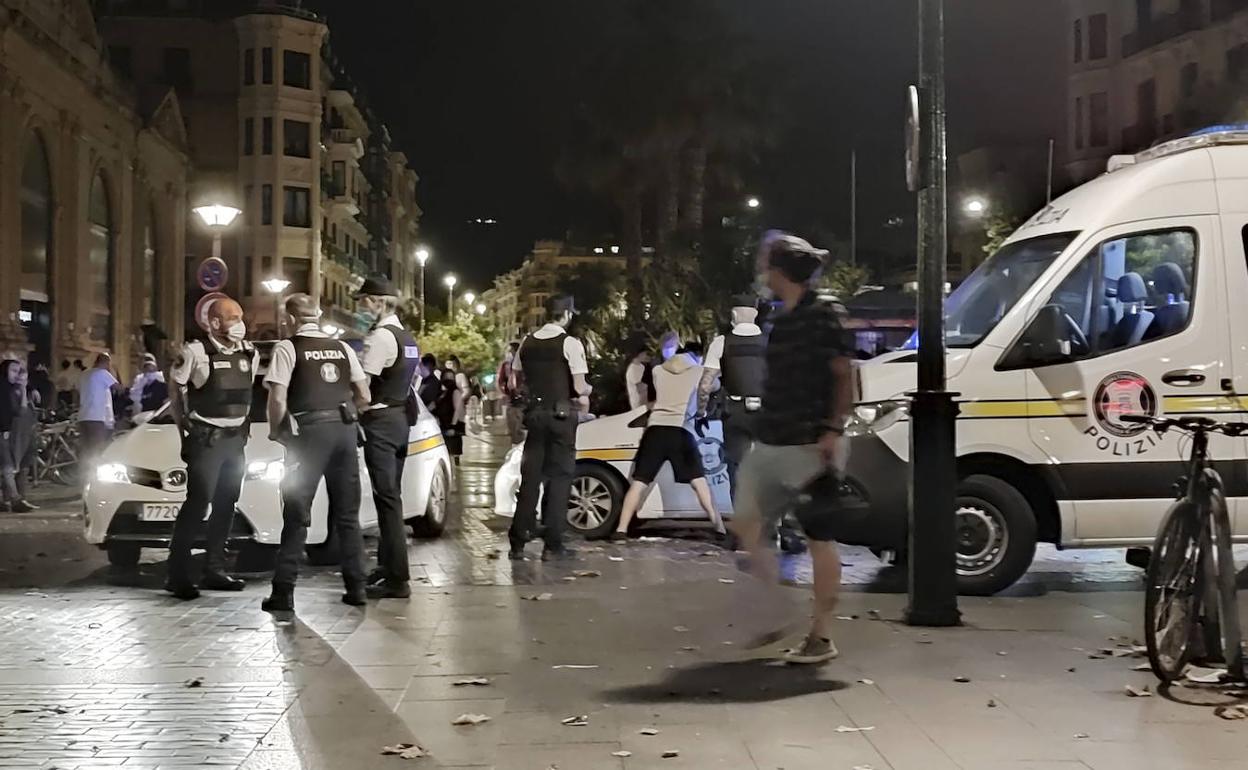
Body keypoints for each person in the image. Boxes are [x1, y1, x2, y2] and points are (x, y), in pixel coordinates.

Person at [732, 231, 854, 665]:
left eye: (765, 261)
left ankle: (821, 636)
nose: (761, 270)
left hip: (810, 443)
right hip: (772, 438)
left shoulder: (825, 313)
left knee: (819, 537)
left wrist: (833, 429)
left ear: (780, 269)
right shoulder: (780, 318)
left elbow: (844, 374)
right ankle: (777, 610)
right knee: (746, 523)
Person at [262, 293, 371, 613]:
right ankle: (357, 588)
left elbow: (278, 398)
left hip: (308, 436)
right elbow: (364, 395)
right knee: (347, 515)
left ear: (290, 318)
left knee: (297, 514)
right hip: (344, 432)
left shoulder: (288, 347)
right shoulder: (343, 348)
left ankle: (283, 592)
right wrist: (348, 415)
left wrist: (277, 430)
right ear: (318, 315)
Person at [163, 298, 258, 599]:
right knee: (198, 503)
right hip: (207, 439)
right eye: (233, 318)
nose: (240, 324)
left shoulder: (249, 352)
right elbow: (175, 389)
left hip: (235, 440)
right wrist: (182, 429)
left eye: (241, 317)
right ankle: (177, 574)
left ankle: (215, 569)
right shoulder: (196, 352)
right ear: (215, 323)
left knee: (226, 503)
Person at [612, 344, 726, 541]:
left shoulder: (658, 370)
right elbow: (713, 385)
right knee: (699, 482)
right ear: (697, 356)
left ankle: (621, 529)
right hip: (680, 430)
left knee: (639, 482)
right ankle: (719, 528)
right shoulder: (699, 371)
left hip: (655, 430)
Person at [508, 295, 591, 560]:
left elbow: (513, 380)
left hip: (534, 416)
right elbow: (579, 387)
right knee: (560, 477)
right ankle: (552, 544)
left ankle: (518, 541)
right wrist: (588, 390)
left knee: (531, 477)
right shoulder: (570, 343)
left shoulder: (527, 342)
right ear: (565, 315)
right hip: (560, 417)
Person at [355, 277, 421, 600]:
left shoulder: (380, 337)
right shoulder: (407, 337)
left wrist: (351, 408)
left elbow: (363, 388)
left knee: (387, 500)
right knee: (391, 496)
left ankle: (397, 578)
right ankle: (387, 566)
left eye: (364, 301)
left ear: (378, 302)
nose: (362, 307)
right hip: (399, 421)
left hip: (380, 422)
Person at [699, 295, 766, 497]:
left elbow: (705, 386)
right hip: (766, 413)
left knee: (736, 468)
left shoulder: (721, 342)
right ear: (755, 314)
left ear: (734, 315)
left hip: (735, 412)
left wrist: (701, 411)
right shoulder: (772, 342)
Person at [1, 360, 38, 512]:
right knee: (8, 467)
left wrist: (28, 388)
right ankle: (15, 500)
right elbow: (19, 411)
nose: (16, 375)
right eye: (13, 371)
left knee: (7, 468)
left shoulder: (8, 388)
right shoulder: (5, 390)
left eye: (18, 371)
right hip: (4, 433)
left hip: (7, 433)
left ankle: (9, 500)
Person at [77, 353, 120, 465]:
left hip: (83, 416)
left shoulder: (84, 374)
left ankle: (83, 472)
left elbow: (77, 392)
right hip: (96, 417)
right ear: (106, 362)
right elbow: (119, 388)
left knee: (85, 449)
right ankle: (94, 473)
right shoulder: (102, 373)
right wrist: (114, 371)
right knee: (97, 450)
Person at [498, 342, 526, 445]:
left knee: (520, 425)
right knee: (513, 426)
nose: (509, 353)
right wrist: (504, 392)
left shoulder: (525, 363)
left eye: (511, 351)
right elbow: (501, 381)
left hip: (523, 399)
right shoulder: (506, 365)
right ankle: (515, 445)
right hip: (512, 399)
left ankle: (521, 446)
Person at [435, 368, 464, 461]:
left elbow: (457, 410)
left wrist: (453, 426)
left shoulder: (455, 391)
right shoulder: (442, 393)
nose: (448, 380)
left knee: (453, 454)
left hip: (452, 428)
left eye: (451, 377)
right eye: (446, 377)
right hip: (444, 426)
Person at [129, 353, 169, 417]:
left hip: (157, 416)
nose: (149, 373)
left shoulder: (162, 385)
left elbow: (166, 402)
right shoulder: (141, 385)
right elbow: (135, 397)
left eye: (151, 370)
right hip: (144, 416)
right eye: (147, 369)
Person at [623, 341, 654, 412]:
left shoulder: (642, 366)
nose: (646, 355)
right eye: (645, 353)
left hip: (645, 404)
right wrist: (647, 407)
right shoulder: (633, 369)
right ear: (640, 354)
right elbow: (641, 390)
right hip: (639, 407)